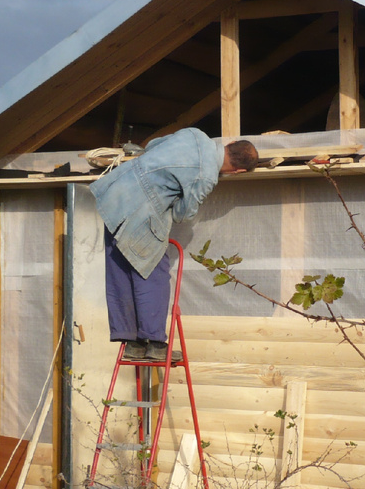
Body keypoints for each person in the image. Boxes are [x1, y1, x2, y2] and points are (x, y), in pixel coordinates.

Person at [90, 128, 259, 362]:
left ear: (230, 144)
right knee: (152, 273)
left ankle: (132, 343)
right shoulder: (206, 176)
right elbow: (183, 214)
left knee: (120, 271)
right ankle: (155, 344)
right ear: (238, 171)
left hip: (115, 194)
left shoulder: (195, 134)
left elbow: (152, 146)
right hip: (141, 210)